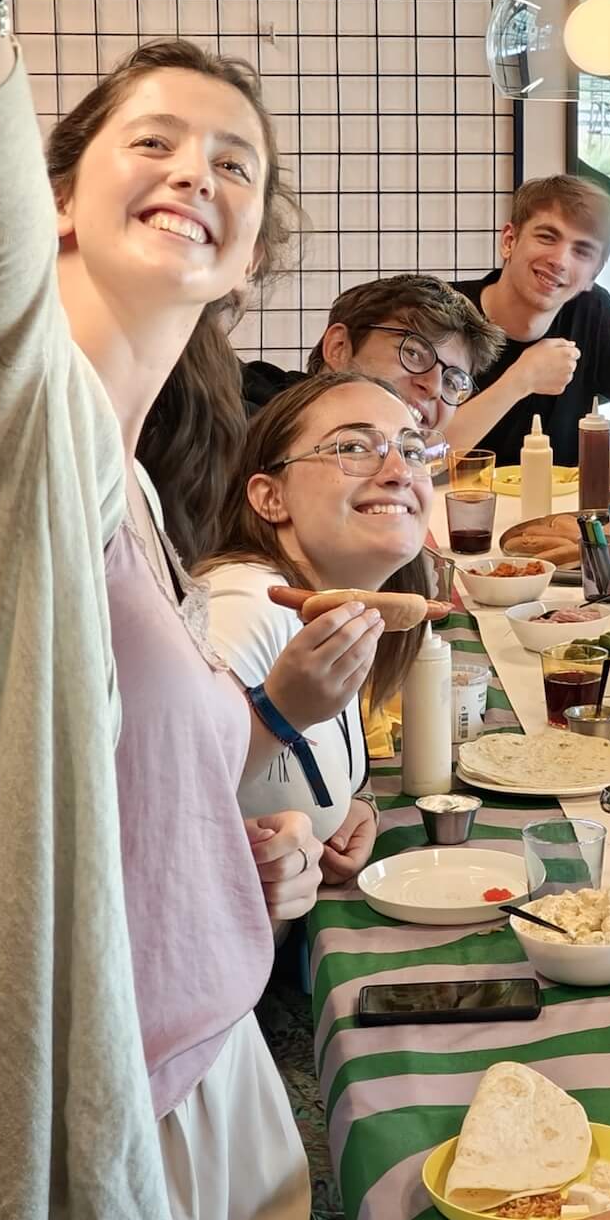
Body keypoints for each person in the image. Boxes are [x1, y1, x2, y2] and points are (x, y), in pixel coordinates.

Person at [0, 0, 321, 1220]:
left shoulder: (132, 475)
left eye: (234, 162)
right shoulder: (15, 401)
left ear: (250, 250)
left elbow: (123, 747)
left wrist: (254, 807)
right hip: (90, 1112)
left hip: (211, 1055)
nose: (198, 170)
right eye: (155, 139)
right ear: (55, 192)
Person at [199, 371, 441, 887]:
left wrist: (352, 801)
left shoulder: (331, 599)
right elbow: (157, 795)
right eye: (354, 447)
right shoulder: (245, 605)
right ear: (270, 498)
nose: (399, 471)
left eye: (413, 450)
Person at [452, 174, 610, 470]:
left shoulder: (593, 311)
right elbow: (420, 459)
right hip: (456, 511)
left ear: (594, 274)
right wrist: (521, 379)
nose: (560, 260)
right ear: (509, 241)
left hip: (563, 514)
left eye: (582, 252)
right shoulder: (444, 313)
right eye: (547, 237)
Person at [239, 271, 504, 437]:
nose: (434, 387)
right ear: (339, 347)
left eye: (453, 382)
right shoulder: (246, 424)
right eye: (413, 354)